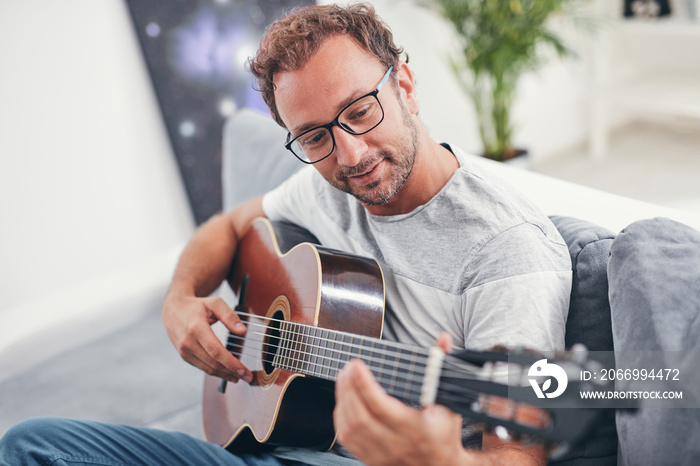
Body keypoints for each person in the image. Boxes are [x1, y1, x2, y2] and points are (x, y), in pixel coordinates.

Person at [0, 4, 571, 465]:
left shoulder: (508, 250)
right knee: (29, 444)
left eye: (360, 110)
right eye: (315, 136)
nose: (350, 153)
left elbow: (515, 454)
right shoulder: (326, 185)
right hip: (272, 439)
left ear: (406, 85)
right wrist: (179, 301)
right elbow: (227, 227)